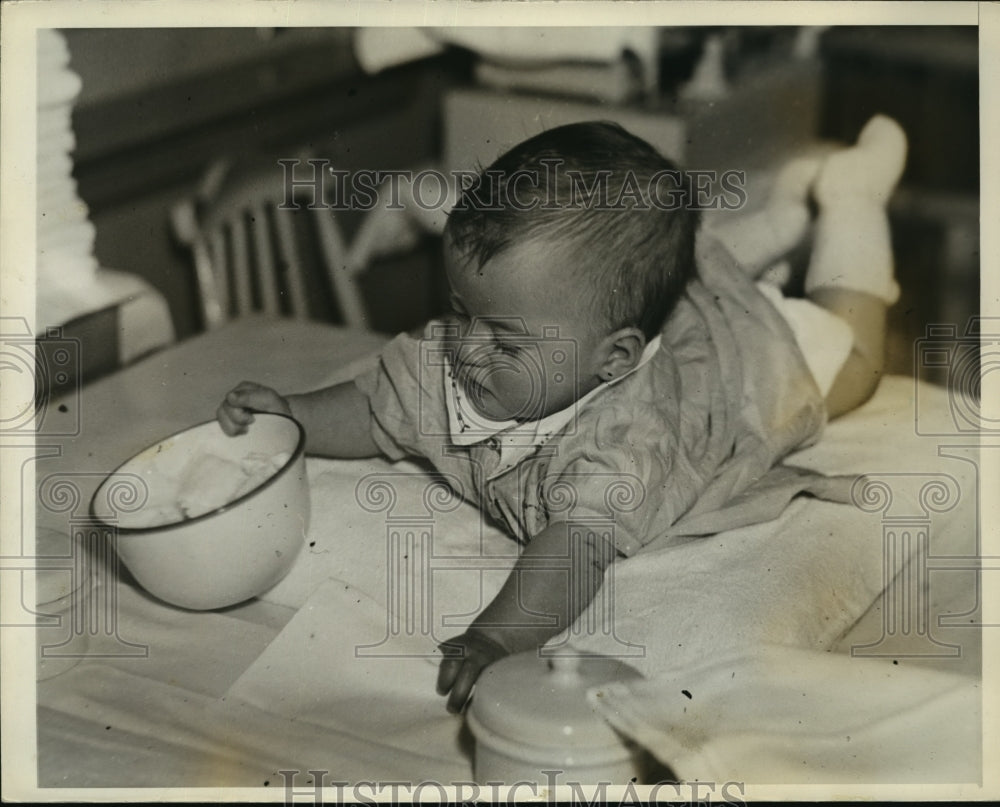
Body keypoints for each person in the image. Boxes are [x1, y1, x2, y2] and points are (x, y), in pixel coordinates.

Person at [217, 116, 907, 713]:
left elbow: (575, 545)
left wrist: (500, 635)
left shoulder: (627, 438)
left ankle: (851, 200)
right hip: (638, 315)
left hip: (738, 364)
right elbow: (376, 403)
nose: (466, 347)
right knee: (665, 272)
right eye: (460, 311)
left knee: (854, 363)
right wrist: (295, 417)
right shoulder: (483, 345)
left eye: (505, 338)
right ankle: (781, 215)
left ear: (611, 360)